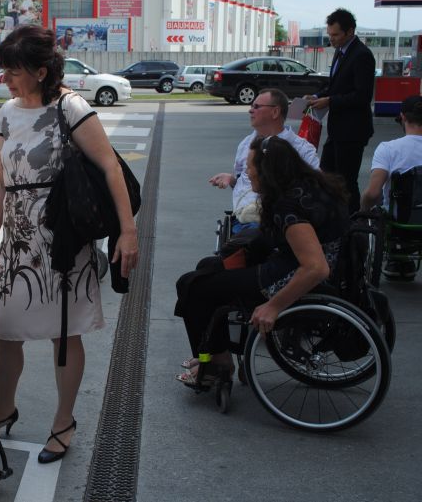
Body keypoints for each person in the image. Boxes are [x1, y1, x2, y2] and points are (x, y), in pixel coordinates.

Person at [0, 25, 138, 464]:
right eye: (4, 71)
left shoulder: (71, 107)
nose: (6, 80)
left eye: (14, 71)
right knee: (5, 333)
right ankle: (4, 408)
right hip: (18, 240)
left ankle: (64, 420)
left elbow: (110, 168)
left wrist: (128, 231)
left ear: (41, 71)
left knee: (64, 334)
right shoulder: (6, 114)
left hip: (63, 238)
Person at [175, 136, 350, 384]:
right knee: (207, 268)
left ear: (267, 170)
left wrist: (274, 306)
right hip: (292, 263)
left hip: (287, 278)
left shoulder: (288, 206)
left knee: (194, 287)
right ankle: (213, 353)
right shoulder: (311, 185)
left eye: (250, 167)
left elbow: (316, 267)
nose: (247, 173)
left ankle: (217, 363)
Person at [209, 88, 319, 232]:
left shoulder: (302, 149)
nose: (250, 110)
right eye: (251, 106)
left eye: (256, 106)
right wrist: (232, 180)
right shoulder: (245, 144)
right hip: (247, 220)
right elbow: (244, 183)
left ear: (275, 112)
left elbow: (315, 190)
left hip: (286, 221)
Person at [306, 8, 375, 214]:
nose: (331, 39)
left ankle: (353, 222)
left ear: (350, 31)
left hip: (353, 130)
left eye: (335, 35)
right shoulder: (340, 51)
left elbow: (362, 96)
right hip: (337, 129)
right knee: (326, 176)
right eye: (329, 34)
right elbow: (335, 86)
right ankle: (333, 218)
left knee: (346, 181)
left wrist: (330, 101)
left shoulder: (362, 55)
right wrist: (317, 96)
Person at [360, 95, 422, 280]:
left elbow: (373, 193)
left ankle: (398, 258)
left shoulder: (389, 149)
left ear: (402, 117)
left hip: (400, 220)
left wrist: (364, 209)